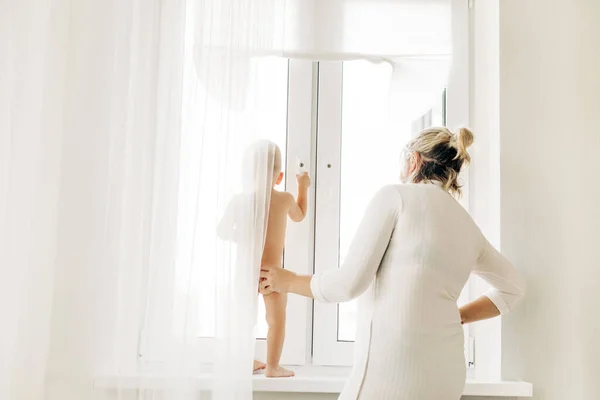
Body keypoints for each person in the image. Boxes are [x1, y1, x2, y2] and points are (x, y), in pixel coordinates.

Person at [260, 128, 526, 398]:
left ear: (414, 160)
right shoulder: (468, 226)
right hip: (447, 376)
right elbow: (513, 289)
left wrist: (289, 280)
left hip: (393, 371)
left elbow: (348, 284)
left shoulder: (395, 197)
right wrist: (457, 316)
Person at [218, 140, 311, 378]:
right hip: (272, 274)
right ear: (279, 177)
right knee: (276, 322)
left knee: (243, 321)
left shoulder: (239, 201)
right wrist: (303, 188)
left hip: (246, 272)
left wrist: (245, 236)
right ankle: (272, 366)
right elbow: (299, 216)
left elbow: (222, 231)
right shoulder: (285, 199)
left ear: (247, 174)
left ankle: (244, 361)